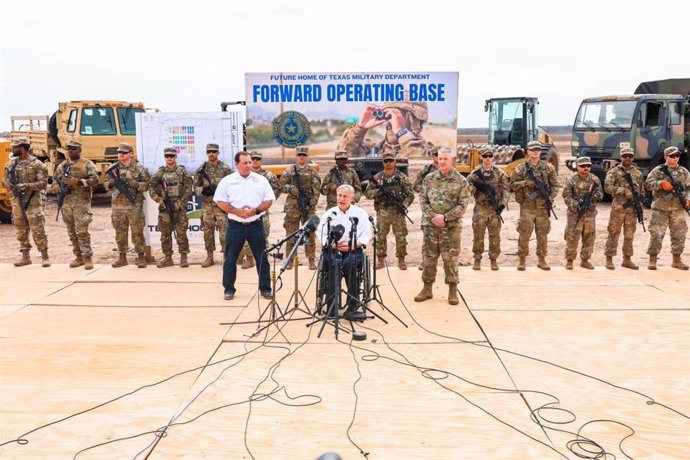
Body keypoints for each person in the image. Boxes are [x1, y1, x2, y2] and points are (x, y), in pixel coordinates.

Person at [214, 151, 275, 300]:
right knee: (230, 259)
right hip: (236, 226)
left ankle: (265, 288)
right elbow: (220, 201)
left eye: (250, 162)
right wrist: (236, 211)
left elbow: (269, 200)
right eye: (245, 163)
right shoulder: (227, 181)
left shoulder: (260, 180)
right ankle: (229, 289)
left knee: (262, 258)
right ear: (237, 164)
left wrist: (256, 210)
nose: (249, 165)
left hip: (256, 225)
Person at [415, 147, 469, 305]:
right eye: (440, 159)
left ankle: (452, 290)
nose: (442, 162)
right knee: (429, 257)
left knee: (450, 258)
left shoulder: (461, 181)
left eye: (446, 159)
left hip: (451, 228)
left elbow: (463, 205)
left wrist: (445, 217)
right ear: (436, 160)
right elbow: (423, 200)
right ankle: (427, 289)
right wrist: (434, 217)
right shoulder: (429, 179)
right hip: (431, 226)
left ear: (452, 160)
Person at [316, 184, 371, 321]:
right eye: (339, 196)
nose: (341, 199)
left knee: (349, 265)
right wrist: (331, 244)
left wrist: (354, 244)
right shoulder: (330, 213)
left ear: (352, 198)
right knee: (334, 265)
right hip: (333, 249)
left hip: (353, 249)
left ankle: (352, 306)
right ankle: (332, 306)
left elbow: (366, 234)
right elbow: (321, 233)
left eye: (344, 196)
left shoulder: (360, 213)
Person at [510, 140, 559, 271]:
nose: (536, 152)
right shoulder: (521, 168)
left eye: (538, 150)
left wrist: (550, 197)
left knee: (542, 234)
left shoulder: (548, 167)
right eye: (533, 150)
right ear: (528, 152)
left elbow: (555, 185)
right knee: (524, 234)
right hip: (527, 207)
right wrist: (525, 183)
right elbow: (511, 185)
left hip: (543, 207)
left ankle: (542, 260)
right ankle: (522, 260)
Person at [2, 137, 50, 267]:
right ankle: (25, 257)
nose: (12, 149)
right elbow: (4, 180)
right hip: (17, 202)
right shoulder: (11, 164)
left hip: (32, 201)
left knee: (38, 229)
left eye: (15, 147)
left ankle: (45, 256)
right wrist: (10, 186)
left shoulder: (37, 164)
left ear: (22, 148)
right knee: (20, 230)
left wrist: (27, 185)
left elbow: (43, 183)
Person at [52, 140, 99, 269]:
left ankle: (87, 257)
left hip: (81, 203)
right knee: (71, 232)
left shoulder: (87, 164)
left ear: (79, 150)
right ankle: (78, 257)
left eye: (73, 149)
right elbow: (55, 180)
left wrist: (78, 182)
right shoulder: (62, 165)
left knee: (82, 231)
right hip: (66, 202)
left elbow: (95, 180)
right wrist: (56, 187)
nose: (70, 152)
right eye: (69, 150)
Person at [364, 152, 414, 270]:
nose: (388, 163)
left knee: (401, 237)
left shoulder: (402, 177)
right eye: (386, 161)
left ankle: (401, 260)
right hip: (383, 212)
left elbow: (410, 195)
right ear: (382, 163)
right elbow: (367, 194)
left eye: (391, 160)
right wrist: (379, 192)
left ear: (395, 162)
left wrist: (404, 205)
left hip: (398, 212)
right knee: (380, 237)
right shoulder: (377, 178)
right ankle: (380, 260)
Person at [645, 146, 690, 270]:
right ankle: (652, 260)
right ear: (665, 157)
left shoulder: (684, 172)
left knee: (679, 235)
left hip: (678, 209)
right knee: (656, 235)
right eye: (672, 156)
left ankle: (677, 260)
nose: (675, 158)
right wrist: (660, 184)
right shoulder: (657, 171)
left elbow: (688, 188)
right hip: (660, 208)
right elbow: (648, 185)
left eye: (677, 156)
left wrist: (688, 198)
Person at [338, 98, 432, 157]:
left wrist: (402, 132)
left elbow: (416, 164)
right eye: (387, 113)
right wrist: (360, 128)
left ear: (415, 120)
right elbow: (343, 155)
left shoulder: (431, 152)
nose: (390, 119)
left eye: (397, 114)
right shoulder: (373, 148)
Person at [106, 142, 150, 268]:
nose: (121, 155)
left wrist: (136, 184)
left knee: (137, 231)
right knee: (120, 232)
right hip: (118, 206)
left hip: (134, 205)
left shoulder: (139, 168)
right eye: (119, 152)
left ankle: (140, 256)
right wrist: (111, 183)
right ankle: (122, 257)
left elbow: (146, 185)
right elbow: (105, 185)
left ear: (131, 154)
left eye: (124, 153)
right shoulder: (113, 168)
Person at [148, 147, 193, 268]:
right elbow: (151, 186)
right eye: (167, 156)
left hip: (179, 207)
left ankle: (183, 257)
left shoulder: (182, 171)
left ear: (175, 157)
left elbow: (189, 188)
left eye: (172, 156)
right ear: (164, 157)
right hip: (165, 207)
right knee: (165, 234)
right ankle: (168, 258)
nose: (169, 158)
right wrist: (158, 199)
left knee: (181, 233)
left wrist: (181, 203)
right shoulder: (160, 172)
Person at [467, 147, 510, 270]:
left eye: (490, 156)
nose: (487, 159)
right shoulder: (475, 173)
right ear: (481, 157)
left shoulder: (499, 173)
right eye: (485, 156)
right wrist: (477, 190)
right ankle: (477, 259)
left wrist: (502, 205)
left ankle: (493, 260)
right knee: (478, 236)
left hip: (494, 209)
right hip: (480, 208)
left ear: (493, 158)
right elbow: (467, 185)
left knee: (495, 236)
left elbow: (506, 191)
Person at [237, 151, 282, 269]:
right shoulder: (244, 175)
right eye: (253, 159)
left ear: (261, 160)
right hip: (247, 211)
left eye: (258, 159)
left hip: (263, 211)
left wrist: (268, 201)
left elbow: (277, 189)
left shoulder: (268, 175)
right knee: (246, 234)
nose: (256, 161)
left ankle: (262, 257)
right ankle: (250, 259)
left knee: (263, 234)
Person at [279, 146, 321, 270]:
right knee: (291, 233)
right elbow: (281, 185)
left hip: (308, 206)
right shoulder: (290, 170)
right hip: (292, 206)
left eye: (304, 155)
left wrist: (312, 203)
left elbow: (317, 189)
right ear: (296, 156)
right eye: (299, 155)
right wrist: (290, 188)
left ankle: (311, 259)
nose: (301, 157)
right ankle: (291, 260)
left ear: (307, 157)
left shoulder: (312, 171)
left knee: (310, 234)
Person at [603, 147, 644, 270]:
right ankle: (609, 258)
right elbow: (607, 187)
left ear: (633, 158)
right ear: (620, 157)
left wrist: (639, 205)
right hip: (618, 208)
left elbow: (641, 191)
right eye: (625, 156)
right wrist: (623, 191)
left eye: (630, 156)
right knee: (614, 232)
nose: (627, 158)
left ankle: (627, 259)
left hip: (632, 209)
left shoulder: (638, 173)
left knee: (629, 235)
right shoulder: (614, 171)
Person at [194, 143, 232, 268]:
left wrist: (222, 198)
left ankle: (226, 258)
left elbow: (231, 186)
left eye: (214, 151)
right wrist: (205, 195)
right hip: (207, 205)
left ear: (218, 153)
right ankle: (209, 257)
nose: (211, 154)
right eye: (209, 151)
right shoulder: (201, 169)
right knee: (208, 232)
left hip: (222, 206)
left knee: (224, 232)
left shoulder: (225, 168)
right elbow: (195, 186)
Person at [562, 157, 603, 269]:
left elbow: (600, 194)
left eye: (588, 166)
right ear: (578, 167)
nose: (586, 168)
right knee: (572, 236)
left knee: (589, 237)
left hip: (589, 214)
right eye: (583, 166)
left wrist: (592, 197)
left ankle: (585, 260)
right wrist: (576, 204)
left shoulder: (594, 179)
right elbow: (566, 196)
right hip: (575, 214)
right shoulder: (571, 180)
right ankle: (570, 260)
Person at [413, 146, 440, 270]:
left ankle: (446, 262)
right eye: (435, 154)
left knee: (447, 237)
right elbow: (416, 186)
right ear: (432, 156)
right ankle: (425, 261)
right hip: (429, 208)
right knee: (428, 236)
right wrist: (428, 191)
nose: (438, 157)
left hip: (446, 208)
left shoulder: (450, 170)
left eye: (440, 154)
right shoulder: (426, 170)